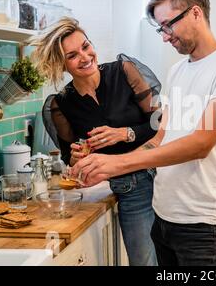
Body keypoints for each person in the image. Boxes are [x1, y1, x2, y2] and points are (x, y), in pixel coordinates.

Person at [72, 0, 216, 266]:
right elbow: (160, 138)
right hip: (163, 215)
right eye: (161, 29)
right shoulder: (178, 70)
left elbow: (200, 144)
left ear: (195, 13)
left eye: (168, 25)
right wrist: (106, 170)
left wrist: (118, 164)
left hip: (201, 224)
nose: (165, 36)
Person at [29, 17, 160, 266]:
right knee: (142, 262)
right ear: (62, 64)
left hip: (147, 178)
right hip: (104, 187)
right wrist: (77, 156)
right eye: (73, 55)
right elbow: (70, 156)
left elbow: (159, 123)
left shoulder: (123, 71)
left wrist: (125, 133)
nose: (85, 57)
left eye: (86, 47)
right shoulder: (61, 103)